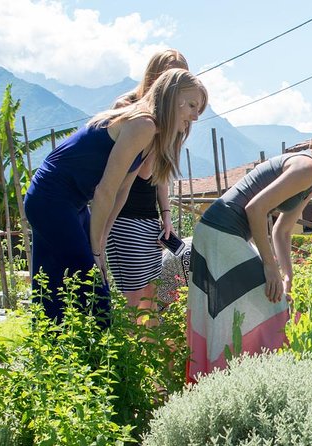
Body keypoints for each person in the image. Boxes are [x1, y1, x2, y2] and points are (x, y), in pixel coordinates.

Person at [187, 119, 312, 382]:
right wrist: (270, 266)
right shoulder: (307, 167)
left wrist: (288, 276)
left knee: (267, 303)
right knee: (272, 304)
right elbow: (255, 209)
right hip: (221, 231)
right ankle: (250, 379)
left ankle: (234, 378)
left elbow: (283, 230)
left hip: (221, 232)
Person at [24, 68, 207, 324]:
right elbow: (105, 190)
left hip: (71, 201)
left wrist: (101, 240)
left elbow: (121, 193)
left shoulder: (152, 135)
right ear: (172, 96)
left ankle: (54, 344)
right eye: (191, 105)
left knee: (57, 280)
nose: (196, 116)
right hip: (52, 197)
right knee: (92, 285)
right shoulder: (143, 123)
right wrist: (96, 252)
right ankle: (98, 356)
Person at [107, 49, 188, 322]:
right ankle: (135, 361)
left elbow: (161, 174)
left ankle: (152, 360)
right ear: (154, 75)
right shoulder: (129, 107)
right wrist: (161, 126)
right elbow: (142, 171)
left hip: (149, 217)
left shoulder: (171, 118)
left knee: (151, 296)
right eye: (170, 78)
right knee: (136, 300)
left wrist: (166, 216)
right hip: (123, 214)